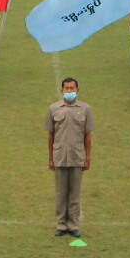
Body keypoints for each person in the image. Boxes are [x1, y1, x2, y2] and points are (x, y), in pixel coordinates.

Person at [46, 77, 94, 237]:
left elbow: (88, 136)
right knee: (61, 193)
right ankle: (61, 224)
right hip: (59, 156)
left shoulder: (85, 109)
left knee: (74, 193)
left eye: (72, 88)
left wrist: (87, 157)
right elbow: (50, 135)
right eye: (66, 88)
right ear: (62, 90)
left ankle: (73, 225)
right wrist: (50, 158)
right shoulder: (53, 108)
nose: (69, 91)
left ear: (77, 90)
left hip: (77, 156)